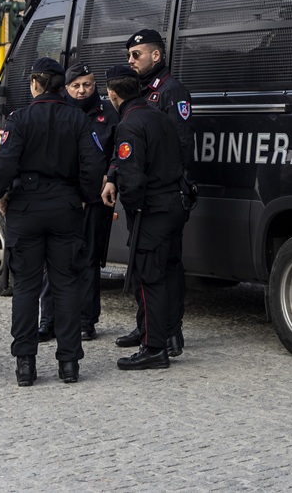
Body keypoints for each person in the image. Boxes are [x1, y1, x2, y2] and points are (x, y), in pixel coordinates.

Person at [0, 57, 103, 386]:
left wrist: (0, 197)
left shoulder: (20, 119)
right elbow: (93, 164)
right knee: (66, 285)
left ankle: (26, 364)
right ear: (60, 85)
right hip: (66, 206)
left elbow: (2, 164)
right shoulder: (78, 119)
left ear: (35, 84)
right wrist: (84, 196)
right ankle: (69, 363)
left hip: (26, 207)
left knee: (25, 287)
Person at [102, 65, 186, 371]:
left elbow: (132, 177)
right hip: (173, 203)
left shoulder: (129, 125)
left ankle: (154, 348)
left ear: (113, 95)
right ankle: (169, 336)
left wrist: (132, 206)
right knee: (168, 271)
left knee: (149, 277)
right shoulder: (159, 116)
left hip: (151, 209)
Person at [126, 28, 193, 355]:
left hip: (163, 195)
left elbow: (180, 145)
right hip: (144, 195)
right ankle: (146, 327)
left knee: (166, 264)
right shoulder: (139, 93)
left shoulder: (171, 91)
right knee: (145, 265)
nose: (131, 61)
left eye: (136, 55)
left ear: (156, 55)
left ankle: (170, 332)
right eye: (128, 56)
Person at [67, 63, 119, 340]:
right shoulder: (59, 111)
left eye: (86, 84)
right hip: (63, 197)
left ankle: (87, 320)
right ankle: (49, 319)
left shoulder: (108, 114)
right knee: (55, 259)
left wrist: (111, 176)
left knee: (88, 259)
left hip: (95, 199)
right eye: (75, 85)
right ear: (66, 88)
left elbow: (119, 151)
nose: (81, 90)